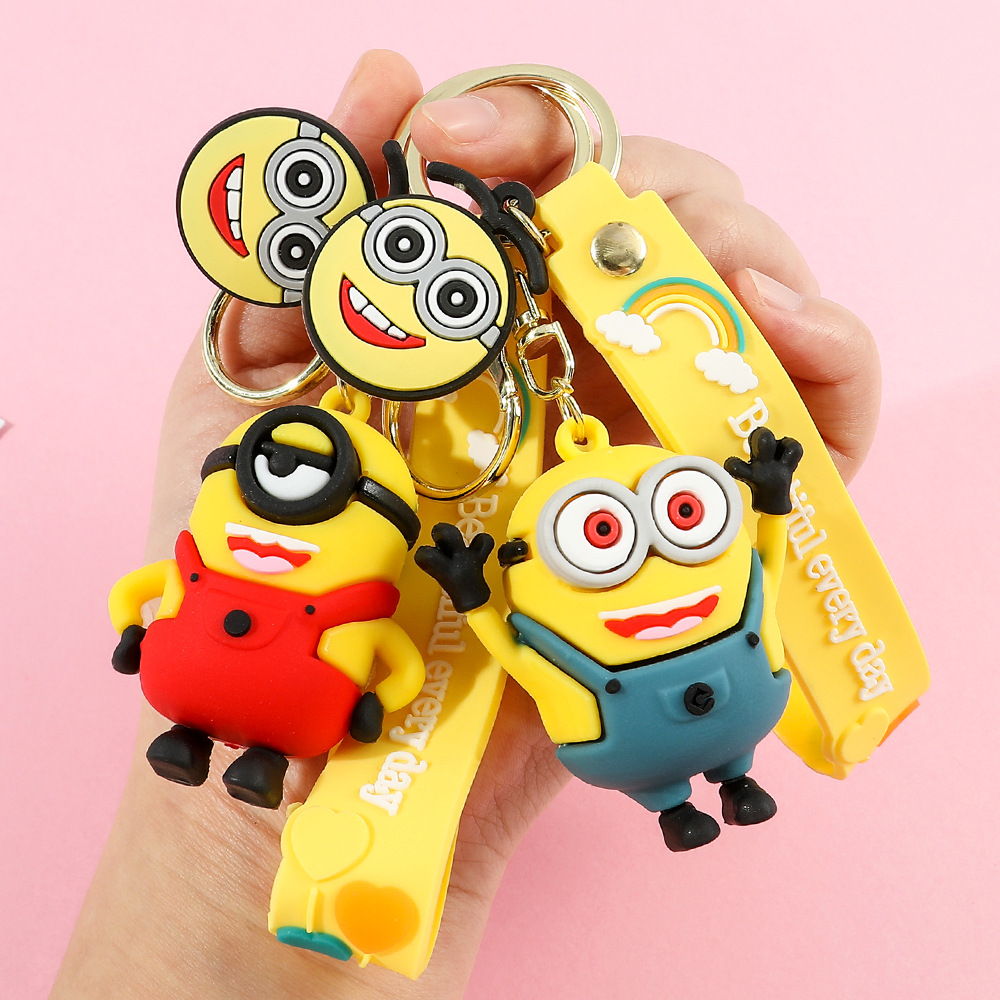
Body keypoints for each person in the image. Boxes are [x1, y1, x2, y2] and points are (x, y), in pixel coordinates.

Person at [49, 49, 880, 1000]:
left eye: (686, 515)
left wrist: (764, 500)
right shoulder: (298, 513)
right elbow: (463, 644)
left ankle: (727, 782)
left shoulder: (641, 574)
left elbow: (530, 643)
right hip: (339, 681)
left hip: (606, 683)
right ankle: (704, 789)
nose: (645, 556)